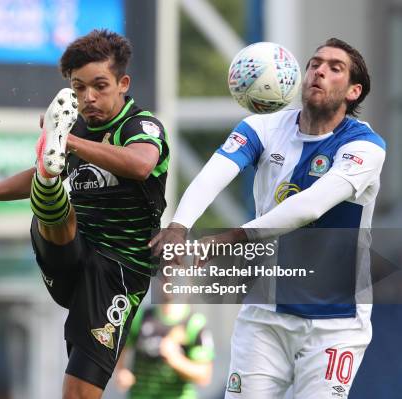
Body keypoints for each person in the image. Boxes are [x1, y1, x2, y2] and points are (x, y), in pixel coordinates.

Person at [0, 29, 169, 398]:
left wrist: (67, 142)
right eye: (78, 89)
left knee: (78, 391)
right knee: (49, 199)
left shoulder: (140, 126)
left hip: (119, 271)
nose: (88, 98)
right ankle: (50, 185)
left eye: (99, 86)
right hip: (70, 249)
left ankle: (50, 181)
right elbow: (34, 171)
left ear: (123, 83)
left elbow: (141, 164)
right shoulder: (74, 127)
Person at [151, 38, 385, 398]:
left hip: (336, 323)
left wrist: (231, 238)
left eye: (334, 68)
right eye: (314, 63)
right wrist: (180, 225)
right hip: (265, 314)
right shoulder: (263, 128)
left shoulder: (365, 147)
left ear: (353, 92)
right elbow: (215, 174)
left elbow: (310, 206)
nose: (319, 71)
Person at [114, 302, 214, 399]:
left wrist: (174, 358)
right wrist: (122, 370)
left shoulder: (194, 322)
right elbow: (121, 345)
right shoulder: (141, 316)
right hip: (140, 395)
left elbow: (204, 375)